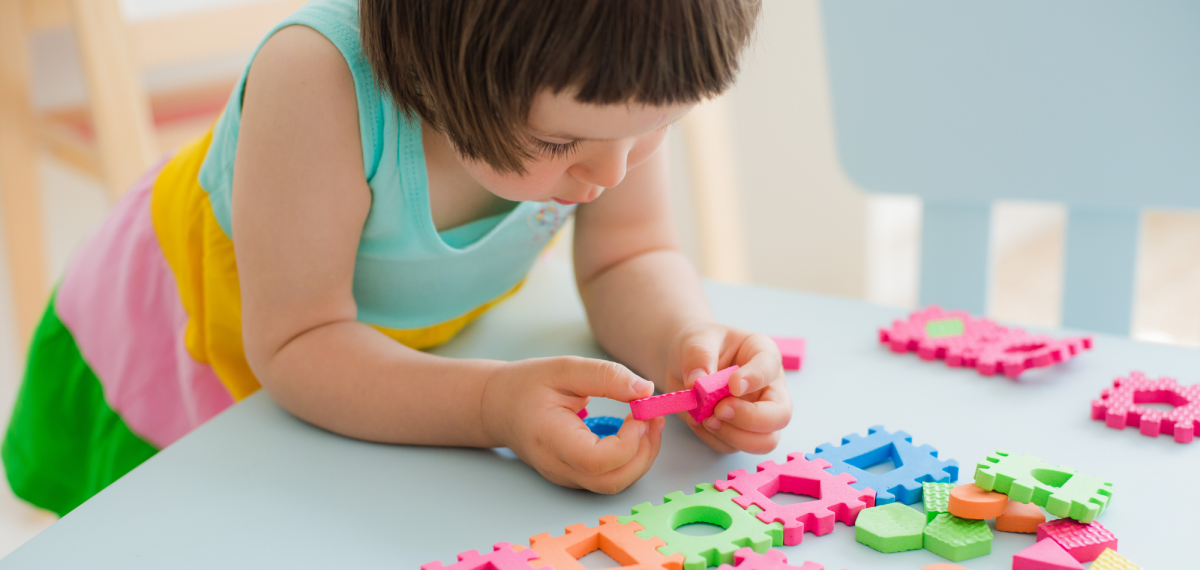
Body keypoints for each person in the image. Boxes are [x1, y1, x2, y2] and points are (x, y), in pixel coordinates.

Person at [3, 0, 792, 515]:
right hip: (204, 333)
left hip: (396, 343)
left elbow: (628, 256)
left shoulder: (610, 84)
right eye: (560, 144)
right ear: (442, 67)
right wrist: (493, 407)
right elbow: (297, 342)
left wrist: (685, 340)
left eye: (656, 128)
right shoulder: (316, 79)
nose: (612, 173)